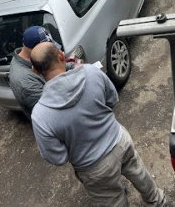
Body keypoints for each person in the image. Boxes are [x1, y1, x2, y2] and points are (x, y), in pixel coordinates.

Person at [30, 42, 166, 207]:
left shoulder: (40, 115)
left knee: (114, 201)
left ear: (35, 71)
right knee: (138, 172)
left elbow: (57, 157)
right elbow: (112, 99)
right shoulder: (91, 71)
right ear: (60, 55)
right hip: (119, 139)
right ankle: (157, 201)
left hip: (94, 168)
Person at [9, 26, 74, 120]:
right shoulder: (25, 83)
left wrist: (73, 66)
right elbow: (53, 109)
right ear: (37, 49)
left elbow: (53, 64)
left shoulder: (34, 55)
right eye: (48, 47)